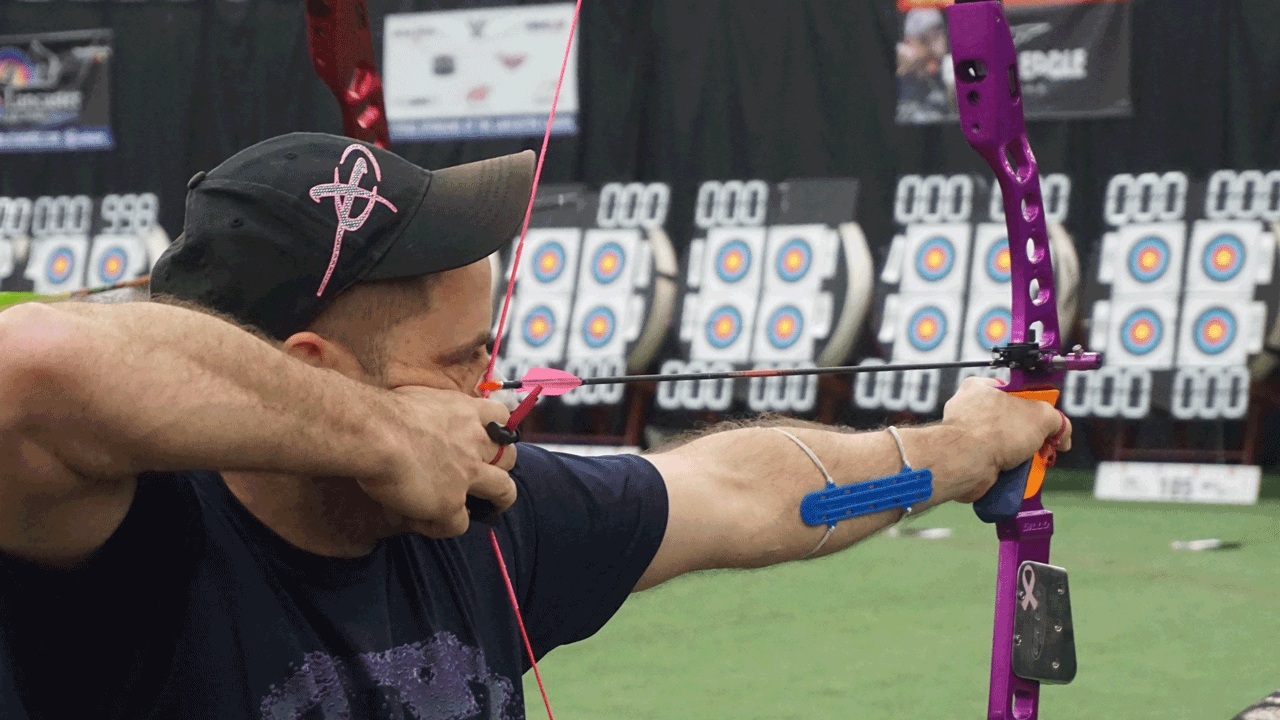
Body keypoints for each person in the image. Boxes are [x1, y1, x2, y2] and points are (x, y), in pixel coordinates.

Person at [0, 133, 1070, 720]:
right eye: (463, 358)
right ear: (314, 374)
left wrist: (952, 450)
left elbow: (750, 491)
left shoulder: (486, 517)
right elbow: (32, 369)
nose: (493, 389)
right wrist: (382, 439)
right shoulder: (124, 540)